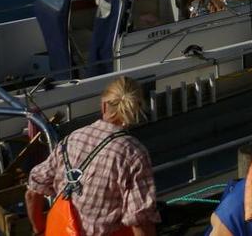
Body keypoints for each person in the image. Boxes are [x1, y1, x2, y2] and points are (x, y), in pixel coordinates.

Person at [26, 77, 159, 236]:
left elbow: (32, 193)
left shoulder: (72, 139)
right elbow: (140, 220)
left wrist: (39, 228)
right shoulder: (133, 153)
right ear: (136, 109)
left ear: (103, 105)